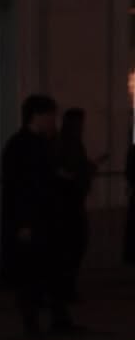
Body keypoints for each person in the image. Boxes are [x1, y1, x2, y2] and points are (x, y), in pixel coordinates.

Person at [0, 94, 76, 335]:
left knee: (52, 268)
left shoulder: (41, 143)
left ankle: (59, 318)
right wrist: (23, 222)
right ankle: (32, 322)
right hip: (32, 219)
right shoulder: (20, 145)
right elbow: (18, 186)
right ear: (37, 116)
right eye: (50, 116)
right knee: (31, 271)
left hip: (47, 217)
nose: (53, 121)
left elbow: (44, 177)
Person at [53, 107, 102, 304]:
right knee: (73, 246)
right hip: (70, 203)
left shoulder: (65, 142)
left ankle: (65, 288)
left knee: (72, 247)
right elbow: (71, 171)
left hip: (68, 202)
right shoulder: (70, 143)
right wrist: (87, 170)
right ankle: (65, 289)